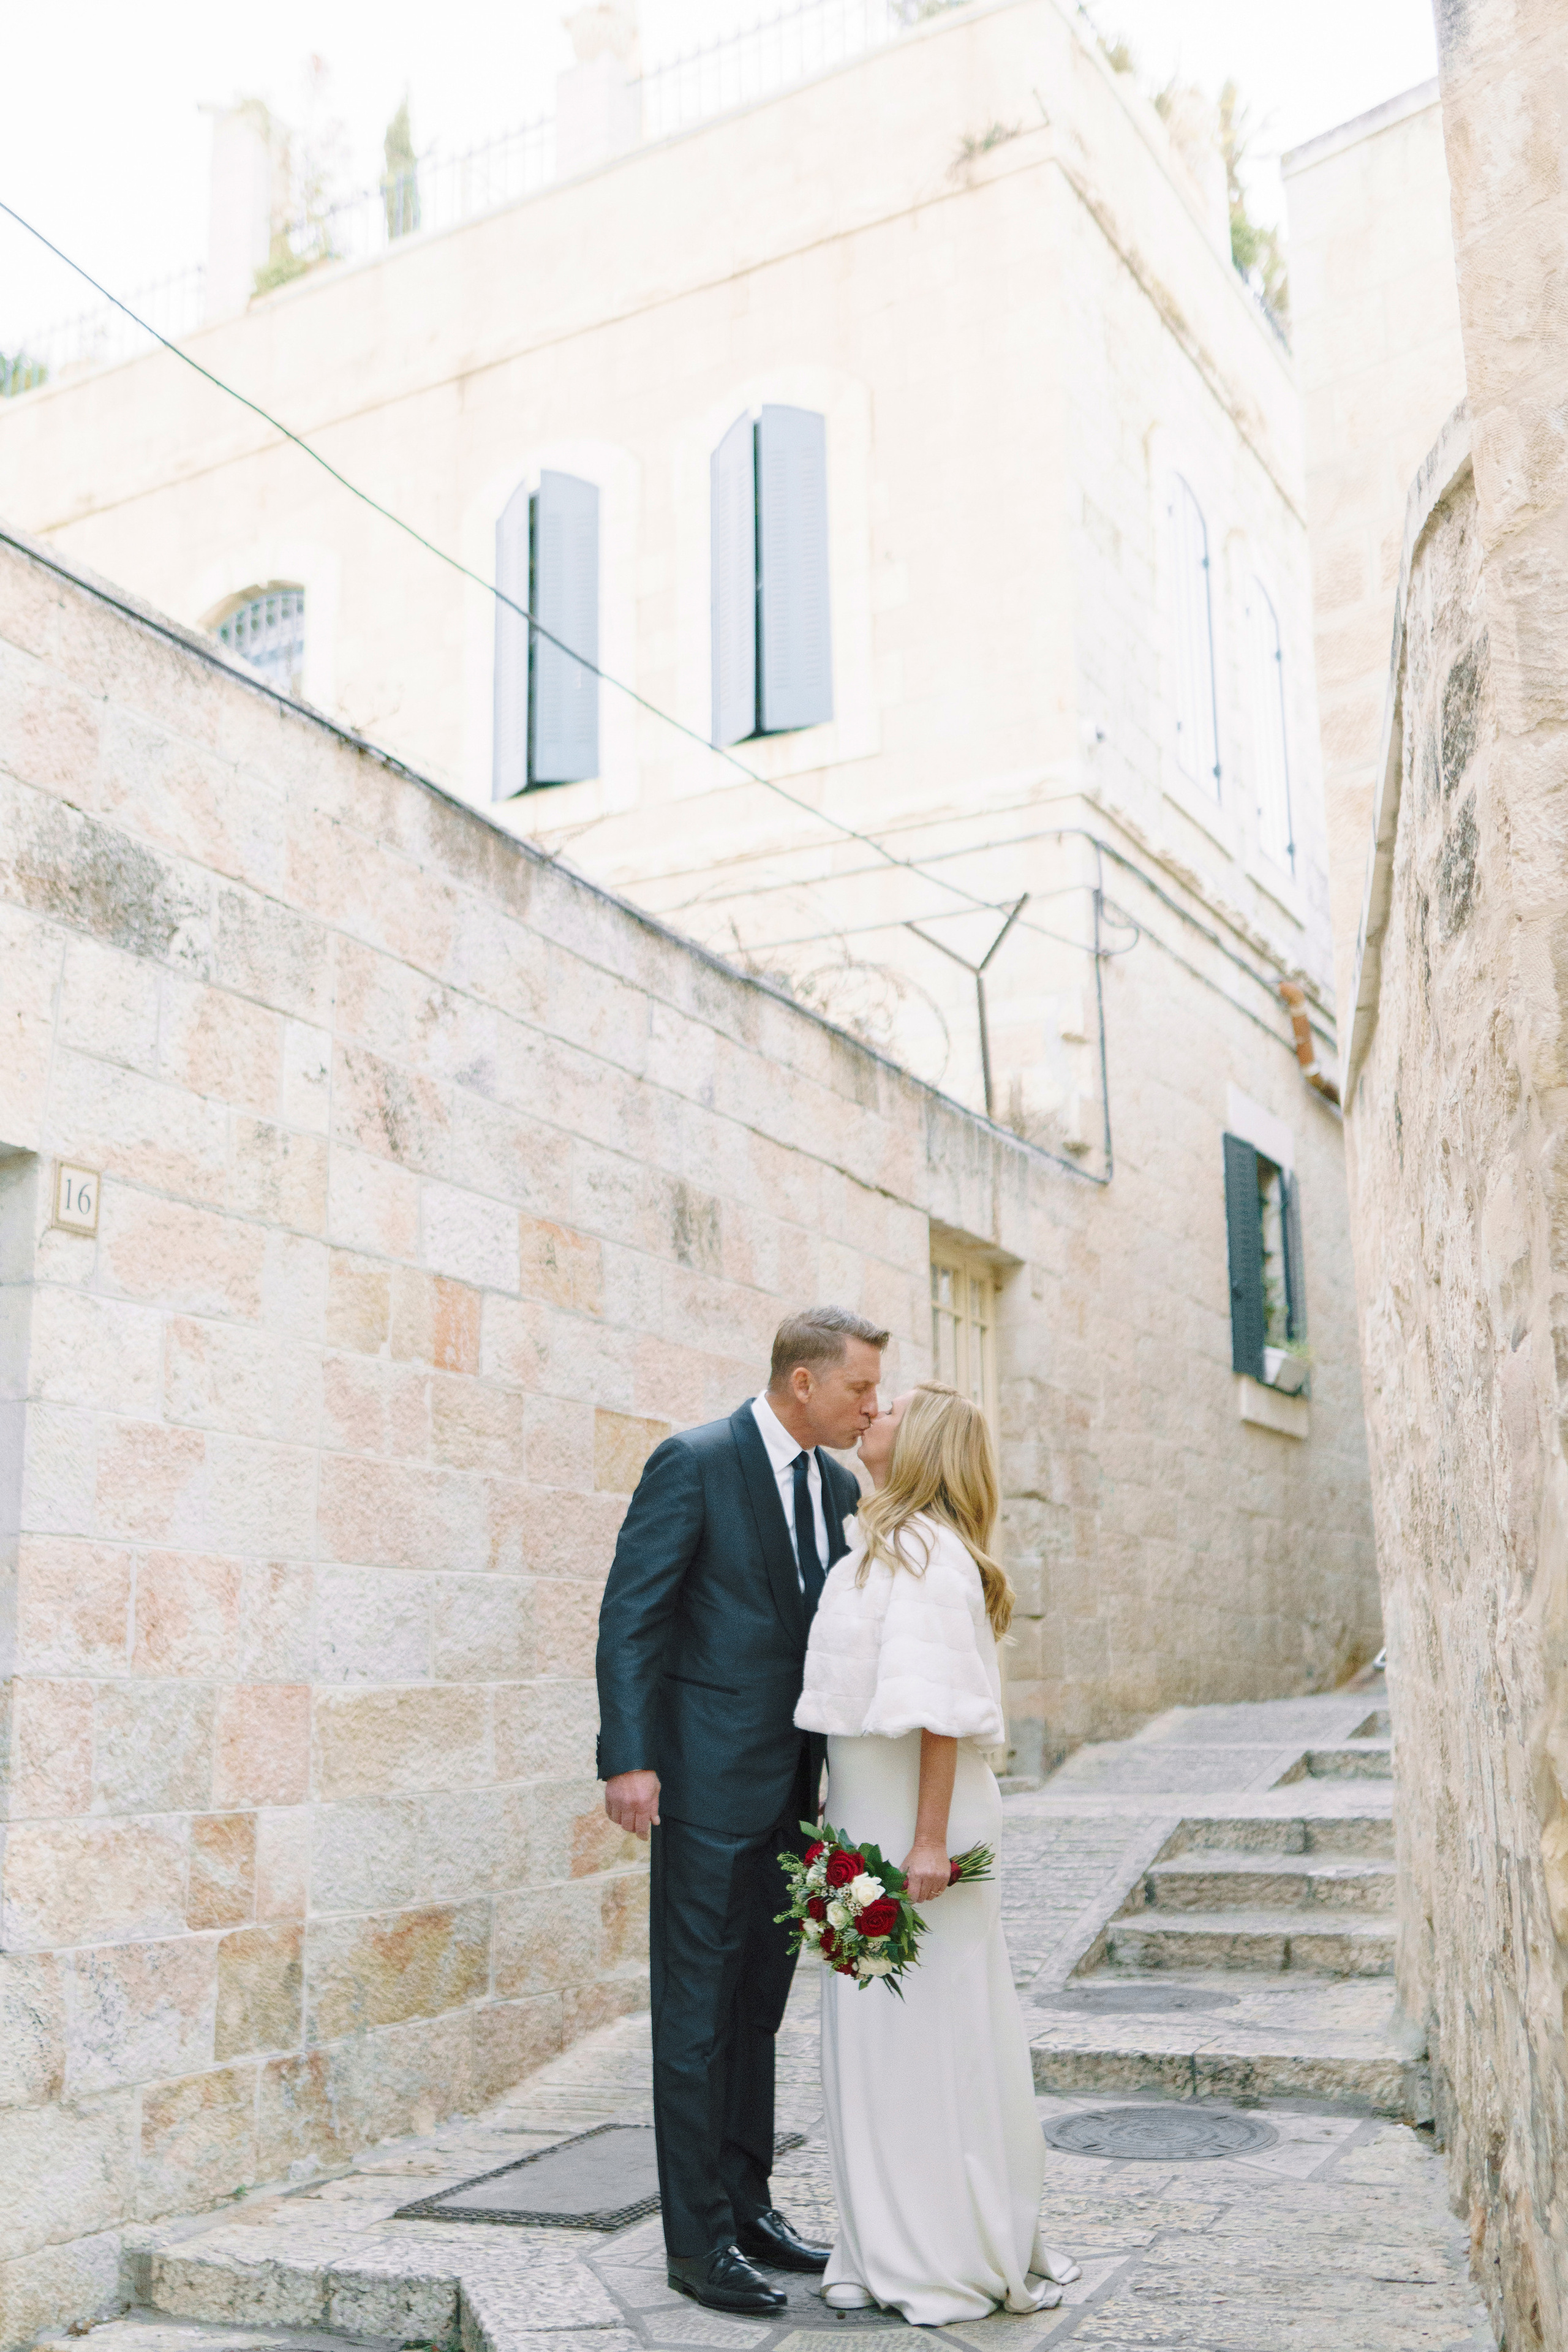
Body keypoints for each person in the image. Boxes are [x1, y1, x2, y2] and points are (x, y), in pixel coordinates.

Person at [595, 1306, 889, 2315]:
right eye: (860, 1387)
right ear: (803, 1382)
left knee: (756, 2009)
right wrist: (629, 1760)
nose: (872, 1406)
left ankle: (749, 2204)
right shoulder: (694, 1460)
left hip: (791, 1796)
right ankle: (696, 2242)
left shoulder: (840, 1485)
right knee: (695, 2014)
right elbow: (631, 1616)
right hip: (702, 1784)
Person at [795, 1382, 1079, 2324]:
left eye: (890, 1410)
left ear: (916, 1447)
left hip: (920, 1833)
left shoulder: (922, 1554)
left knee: (920, 2042)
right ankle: (885, 2239)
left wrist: (921, 1844)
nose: (871, 1413)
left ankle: (934, 2253)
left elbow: (939, 1718)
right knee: (877, 2043)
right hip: (868, 1818)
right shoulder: (883, 1543)